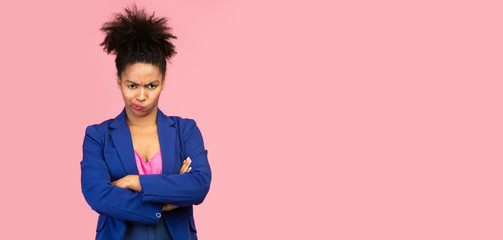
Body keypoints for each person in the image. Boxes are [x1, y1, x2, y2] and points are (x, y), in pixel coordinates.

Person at [80, 4, 212, 240]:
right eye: (132, 85)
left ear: (163, 81)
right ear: (119, 80)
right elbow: (97, 194)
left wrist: (135, 182)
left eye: (151, 86)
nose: (141, 96)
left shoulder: (185, 130)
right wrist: (163, 204)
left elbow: (198, 185)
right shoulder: (98, 136)